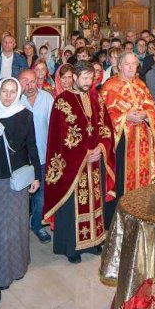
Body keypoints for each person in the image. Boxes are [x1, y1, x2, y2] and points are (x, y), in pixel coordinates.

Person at [43, 63, 116, 264]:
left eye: (90, 78)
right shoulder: (62, 101)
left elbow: (106, 128)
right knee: (73, 205)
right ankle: (71, 246)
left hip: (96, 162)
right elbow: (59, 139)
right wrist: (85, 153)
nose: (88, 82)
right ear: (74, 77)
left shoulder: (96, 97)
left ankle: (93, 241)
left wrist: (100, 148)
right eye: (84, 78)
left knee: (95, 201)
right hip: (73, 165)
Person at [0, 80, 39, 286]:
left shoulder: (25, 115)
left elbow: (32, 146)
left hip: (18, 182)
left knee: (16, 225)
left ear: (18, 94)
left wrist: (37, 175)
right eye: (4, 91)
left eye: (13, 92)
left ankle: (16, 267)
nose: (8, 96)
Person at [101, 52, 155, 213]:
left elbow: (153, 108)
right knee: (121, 178)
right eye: (127, 64)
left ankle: (141, 211)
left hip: (142, 141)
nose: (131, 67)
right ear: (119, 65)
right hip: (122, 142)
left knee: (142, 179)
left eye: (134, 64)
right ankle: (122, 214)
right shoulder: (109, 86)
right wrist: (125, 116)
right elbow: (103, 115)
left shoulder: (141, 84)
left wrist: (145, 114)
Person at [17, 69, 54, 244]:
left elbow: (55, 125)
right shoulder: (14, 100)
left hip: (43, 156)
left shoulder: (47, 98)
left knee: (41, 197)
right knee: (21, 197)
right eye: (25, 81)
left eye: (32, 81)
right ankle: (19, 228)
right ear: (19, 82)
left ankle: (37, 225)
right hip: (21, 160)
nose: (29, 85)